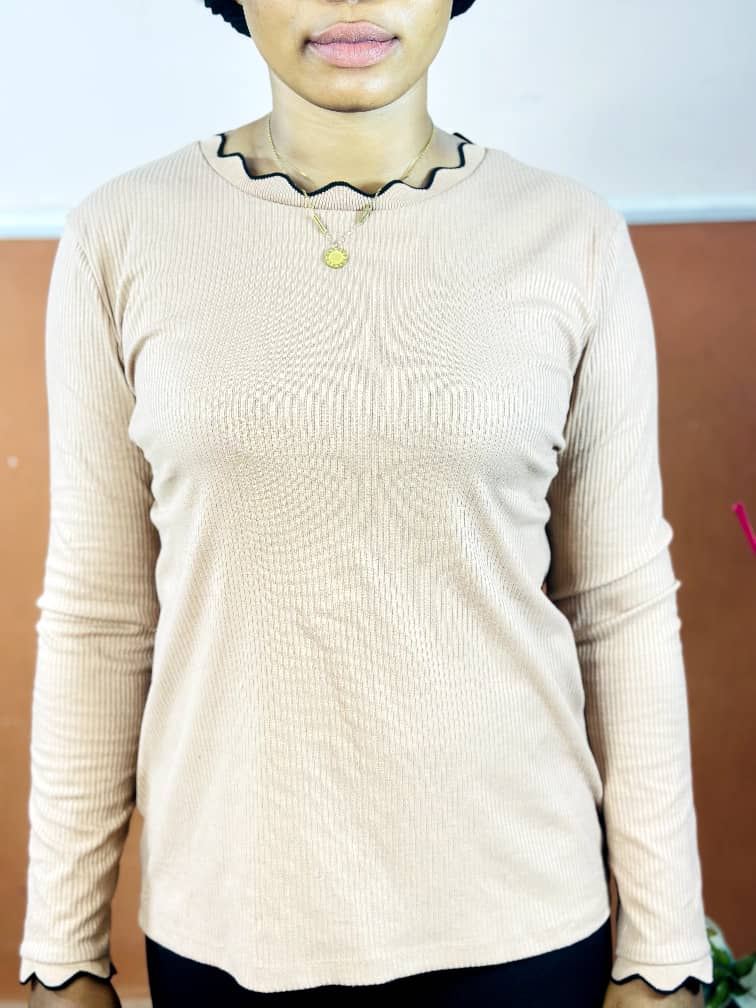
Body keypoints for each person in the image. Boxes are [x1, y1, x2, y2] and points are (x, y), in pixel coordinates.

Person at [21, 0, 711, 1005]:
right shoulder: (118, 236)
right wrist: (63, 951)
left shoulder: (573, 237)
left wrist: (665, 952)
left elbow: (620, 608)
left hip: (521, 922)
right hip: (230, 925)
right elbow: (100, 617)